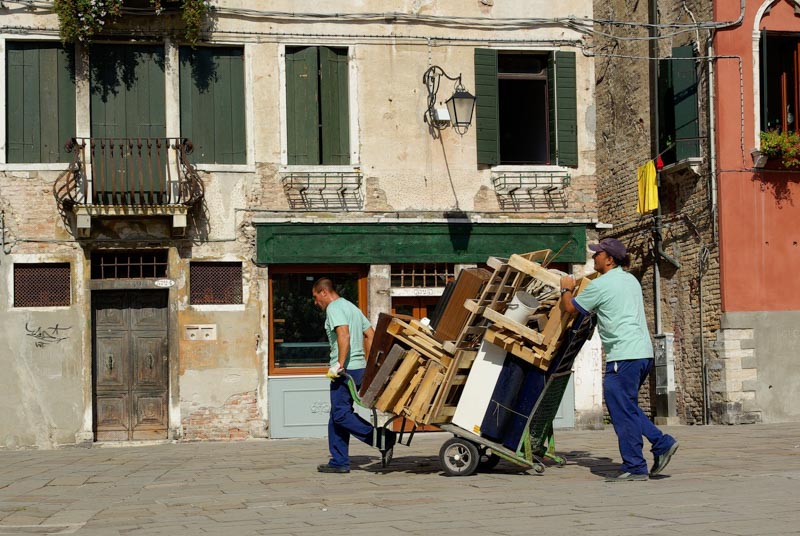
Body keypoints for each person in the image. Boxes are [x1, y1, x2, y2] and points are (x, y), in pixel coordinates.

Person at [560, 238, 679, 482]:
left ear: (609, 259)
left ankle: (640, 462)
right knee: (627, 407)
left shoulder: (601, 285)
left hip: (622, 356)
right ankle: (656, 447)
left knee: (620, 411)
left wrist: (566, 288)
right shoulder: (631, 280)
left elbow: (571, 308)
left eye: (597, 254)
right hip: (642, 353)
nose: (593, 258)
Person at [312, 277, 396, 473]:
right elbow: (370, 335)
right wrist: (370, 364)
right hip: (358, 369)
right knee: (337, 415)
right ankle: (339, 461)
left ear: (324, 292)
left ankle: (382, 438)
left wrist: (340, 364)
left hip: (345, 370)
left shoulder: (334, 308)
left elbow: (343, 333)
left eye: (316, 298)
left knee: (340, 415)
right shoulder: (352, 307)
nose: (316, 303)